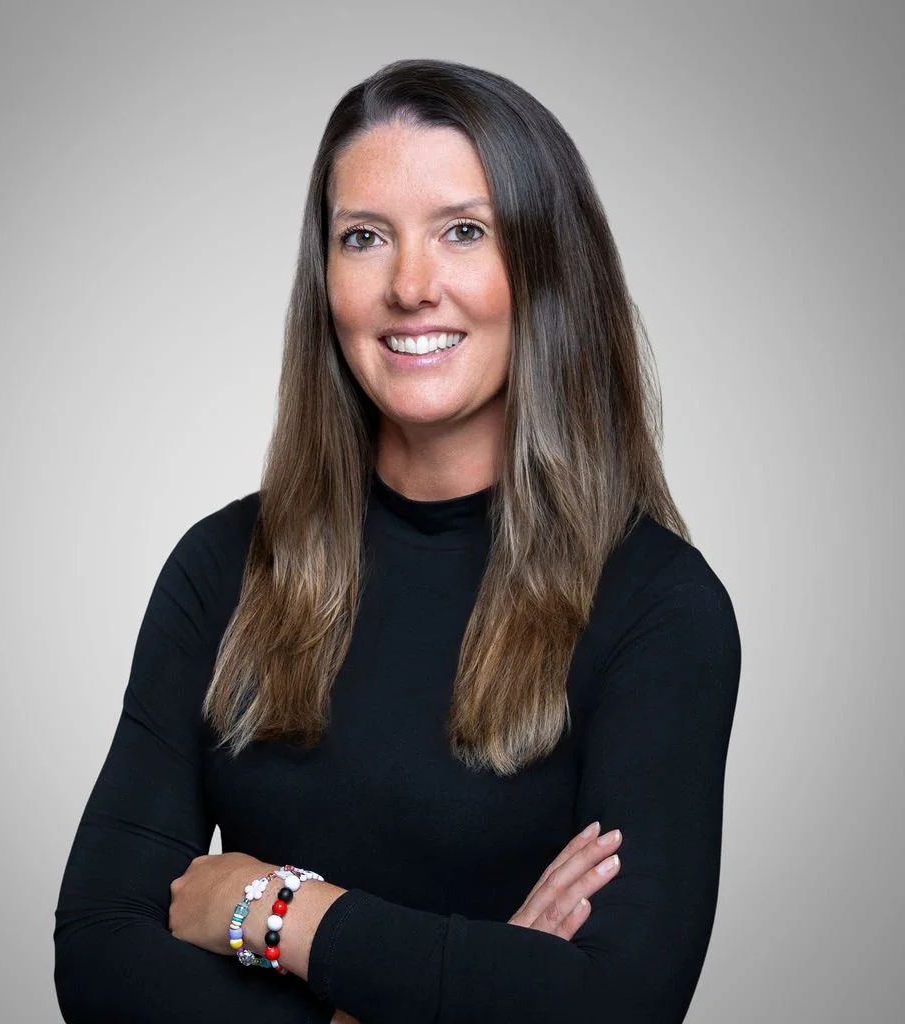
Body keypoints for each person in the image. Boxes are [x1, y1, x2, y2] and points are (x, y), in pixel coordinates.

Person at [53, 58, 741, 1024]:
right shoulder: (223, 569)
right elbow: (97, 957)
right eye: (365, 238)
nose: (410, 286)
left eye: (464, 231)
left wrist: (279, 913)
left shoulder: (658, 607)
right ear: (326, 279)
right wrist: (464, 988)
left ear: (545, 266)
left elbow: (618, 1004)